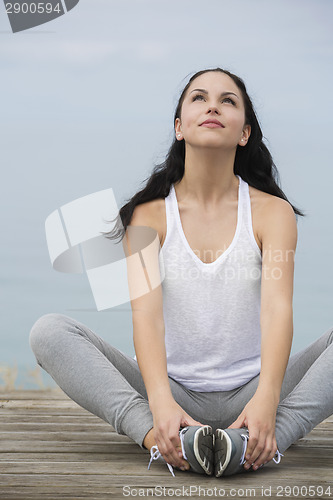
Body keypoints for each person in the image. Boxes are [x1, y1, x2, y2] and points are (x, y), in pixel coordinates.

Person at [29, 67, 333, 478]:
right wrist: (159, 403)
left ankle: (268, 435)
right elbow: (146, 318)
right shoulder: (148, 215)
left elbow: (277, 310)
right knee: (49, 331)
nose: (213, 105)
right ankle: (160, 438)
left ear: (244, 132)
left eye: (228, 101)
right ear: (179, 127)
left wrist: (267, 396)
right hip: (170, 389)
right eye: (199, 97)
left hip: (253, 388)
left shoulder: (272, 213)